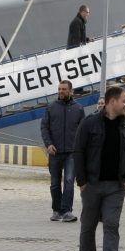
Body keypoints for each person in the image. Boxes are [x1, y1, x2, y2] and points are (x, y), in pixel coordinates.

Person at [75, 85, 125, 251]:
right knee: (88, 226)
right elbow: (79, 151)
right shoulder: (89, 123)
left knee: (112, 225)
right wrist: (82, 180)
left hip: (116, 187)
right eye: (124, 100)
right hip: (92, 184)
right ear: (112, 102)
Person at [40, 80, 85, 222]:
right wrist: (48, 144)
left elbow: (83, 130)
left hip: (71, 152)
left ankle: (67, 211)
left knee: (69, 180)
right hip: (55, 152)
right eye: (59, 89)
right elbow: (44, 127)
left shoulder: (78, 108)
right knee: (54, 182)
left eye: (64, 89)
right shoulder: (51, 107)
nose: (60, 91)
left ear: (70, 91)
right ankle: (56, 210)